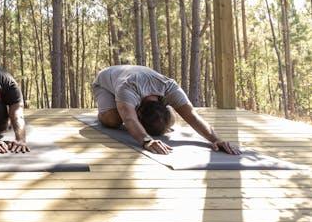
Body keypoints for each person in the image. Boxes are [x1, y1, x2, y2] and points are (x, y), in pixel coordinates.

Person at [92, 65, 240, 155]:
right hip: (105, 81)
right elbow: (129, 119)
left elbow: (192, 116)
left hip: (131, 83)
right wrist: (147, 140)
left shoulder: (169, 87)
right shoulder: (128, 88)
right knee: (113, 120)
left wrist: (217, 140)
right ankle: (107, 111)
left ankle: (125, 107)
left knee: (167, 121)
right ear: (139, 112)